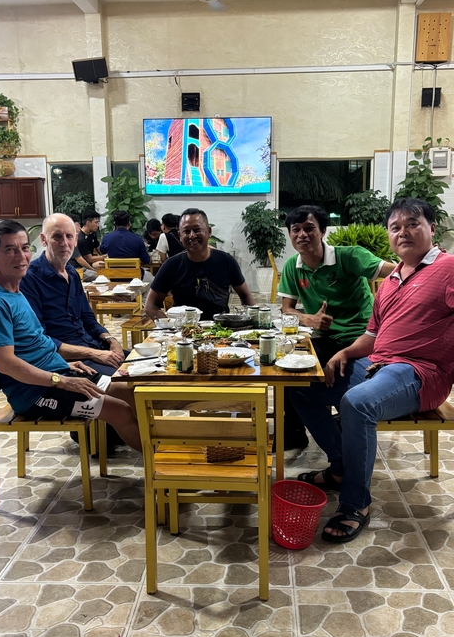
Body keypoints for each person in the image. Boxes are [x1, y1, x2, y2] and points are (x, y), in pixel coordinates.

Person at [290, 197, 454, 543]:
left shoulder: (448, 268)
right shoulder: (392, 279)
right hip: (379, 367)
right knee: (300, 389)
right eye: (395, 227)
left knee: (357, 403)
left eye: (412, 224)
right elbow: (373, 336)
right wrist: (345, 353)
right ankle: (340, 468)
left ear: (432, 228)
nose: (403, 232)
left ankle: (355, 504)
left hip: (419, 373)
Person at [0, 220, 141, 452]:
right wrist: (62, 380)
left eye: (24, 248)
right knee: (120, 410)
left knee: (131, 392)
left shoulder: (16, 292)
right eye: (10, 249)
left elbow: (35, 343)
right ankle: (157, 468)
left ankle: (157, 451)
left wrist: (64, 365)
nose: (21, 257)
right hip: (35, 394)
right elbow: (6, 364)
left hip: (58, 374)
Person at [277, 204, 396, 450]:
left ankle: (344, 425)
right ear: (289, 234)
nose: (302, 235)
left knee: (351, 385)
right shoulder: (292, 266)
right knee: (289, 371)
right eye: (296, 229)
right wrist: (309, 319)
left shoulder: (349, 256)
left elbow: (393, 271)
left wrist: (429, 264)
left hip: (361, 338)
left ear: (323, 231)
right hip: (324, 338)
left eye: (309, 228)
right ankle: (294, 431)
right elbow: (286, 309)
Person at [20, 214, 125, 376]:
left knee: (147, 366)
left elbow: (88, 318)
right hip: (68, 361)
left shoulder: (72, 273)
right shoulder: (29, 278)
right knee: (128, 382)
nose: (64, 243)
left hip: (91, 346)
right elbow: (39, 339)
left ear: (75, 240)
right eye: (57, 236)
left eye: (69, 236)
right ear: (43, 239)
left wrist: (111, 340)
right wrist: (93, 354)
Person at [145, 208, 255, 321]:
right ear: (180, 236)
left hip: (220, 328)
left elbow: (245, 295)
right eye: (186, 231)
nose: (192, 235)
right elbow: (150, 306)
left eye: (197, 230)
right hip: (184, 329)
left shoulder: (226, 261)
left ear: (209, 232)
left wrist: (250, 322)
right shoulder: (171, 265)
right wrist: (171, 326)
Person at [67, 213, 104, 282]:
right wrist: (93, 269)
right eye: (78, 225)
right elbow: (80, 260)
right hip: (77, 270)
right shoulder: (71, 240)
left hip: (81, 268)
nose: (80, 227)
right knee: (100, 275)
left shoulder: (91, 235)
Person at [77, 210, 106, 277]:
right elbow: (89, 259)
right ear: (88, 223)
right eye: (96, 222)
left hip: (92, 262)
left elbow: (99, 250)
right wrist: (105, 257)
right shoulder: (81, 239)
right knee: (101, 264)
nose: (97, 225)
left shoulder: (92, 234)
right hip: (83, 266)